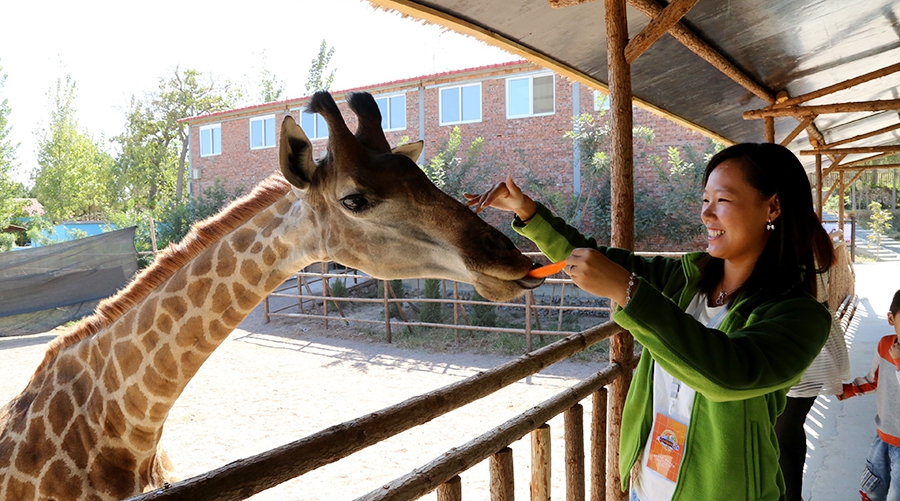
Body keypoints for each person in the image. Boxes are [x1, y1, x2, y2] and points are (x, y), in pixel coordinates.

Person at [465, 143, 834, 500]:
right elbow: (591, 258)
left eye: (722, 200)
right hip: (647, 486)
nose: (706, 215)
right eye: (705, 200)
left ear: (773, 207)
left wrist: (629, 292)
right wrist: (528, 212)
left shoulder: (799, 316)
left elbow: (728, 374)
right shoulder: (686, 279)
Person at [775, 269, 851, 501]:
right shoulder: (809, 250)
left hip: (800, 339)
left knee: (783, 435)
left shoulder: (793, 253)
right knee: (790, 431)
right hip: (811, 336)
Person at [838, 289, 900, 501]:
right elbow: (875, 380)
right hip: (883, 435)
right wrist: (849, 390)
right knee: (873, 488)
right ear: (891, 319)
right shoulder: (885, 345)